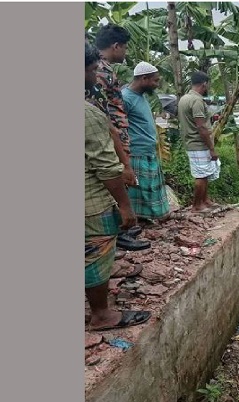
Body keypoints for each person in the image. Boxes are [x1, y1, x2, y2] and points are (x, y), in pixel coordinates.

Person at [85, 43, 151, 331]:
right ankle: (102, 315)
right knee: (95, 251)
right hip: (90, 201)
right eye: (90, 69)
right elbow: (104, 167)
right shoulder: (86, 113)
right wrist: (125, 206)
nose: (94, 74)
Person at [85, 24, 150, 251]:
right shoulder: (99, 71)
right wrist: (123, 157)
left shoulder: (100, 68)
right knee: (115, 179)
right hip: (108, 139)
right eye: (125, 47)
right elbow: (104, 114)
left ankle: (122, 231)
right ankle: (121, 232)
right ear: (116, 46)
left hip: (112, 136)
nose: (126, 52)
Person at [122, 62, 171, 223]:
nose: (157, 85)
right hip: (136, 153)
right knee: (138, 191)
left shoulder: (140, 97)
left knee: (148, 189)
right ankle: (135, 223)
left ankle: (144, 219)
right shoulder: (125, 97)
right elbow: (119, 127)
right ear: (144, 78)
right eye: (155, 81)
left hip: (148, 151)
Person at [177, 71, 221, 213]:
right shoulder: (196, 101)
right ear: (204, 84)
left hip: (193, 142)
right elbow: (201, 126)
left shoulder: (185, 98)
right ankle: (197, 205)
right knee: (201, 175)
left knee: (205, 173)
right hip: (198, 143)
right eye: (208, 84)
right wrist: (212, 148)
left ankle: (205, 200)